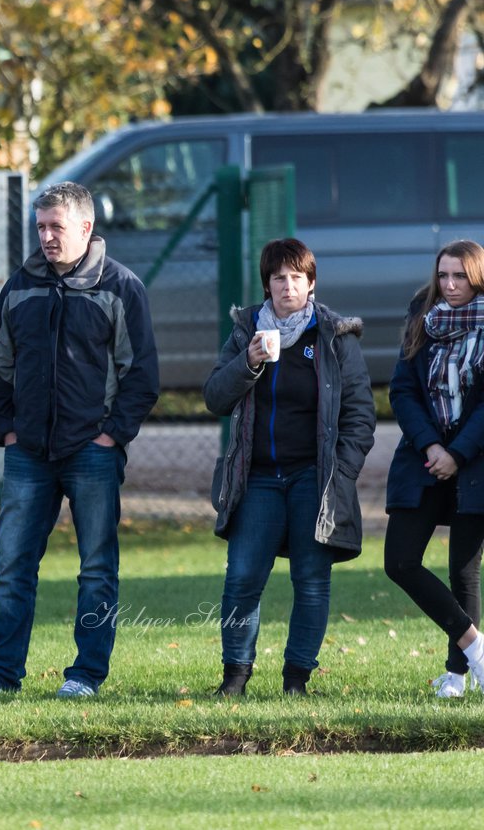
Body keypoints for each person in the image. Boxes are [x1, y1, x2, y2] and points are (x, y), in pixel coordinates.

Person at [0, 181, 159, 698]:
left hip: (91, 452)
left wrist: (112, 435)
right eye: (41, 227)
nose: (47, 237)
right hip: (27, 451)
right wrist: (5, 428)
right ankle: (0, 675)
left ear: (86, 227)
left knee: (96, 569)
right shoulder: (19, 286)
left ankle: (86, 675)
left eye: (57, 227)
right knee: (11, 569)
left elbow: (140, 375)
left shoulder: (121, 287)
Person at [206, 238, 375, 697]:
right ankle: (234, 677)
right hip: (258, 477)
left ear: (311, 283)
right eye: (278, 278)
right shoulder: (246, 332)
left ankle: (296, 680)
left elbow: (360, 416)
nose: (287, 286)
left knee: (311, 580)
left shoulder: (335, 336)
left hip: (314, 479)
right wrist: (249, 362)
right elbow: (215, 397)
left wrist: (340, 473)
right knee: (242, 576)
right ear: (267, 285)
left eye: (296, 277)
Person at [384, 239, 484, 697]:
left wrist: (457, 453)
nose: (449, 285)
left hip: (475, 462)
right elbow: (402, 389)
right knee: (400, 561)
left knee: (463, 571)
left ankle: (459, 676)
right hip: (423, 459)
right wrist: (431, 447)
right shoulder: (421, 313)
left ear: (477, 276)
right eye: (443, 275)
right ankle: (478, 651)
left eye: (460, 276)